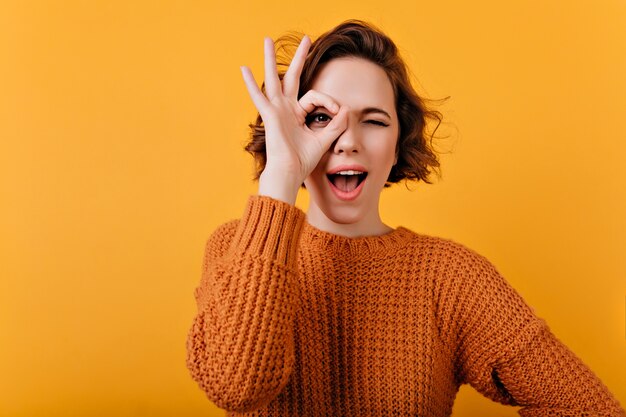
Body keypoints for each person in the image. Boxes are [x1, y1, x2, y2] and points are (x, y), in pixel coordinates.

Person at [186, 20, 625, 416]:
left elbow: (590, 408)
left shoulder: (450, 277)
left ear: (398, 146)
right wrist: (280, 175)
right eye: (321, 118)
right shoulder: (234, 249)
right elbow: (237, 387)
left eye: (373, 121)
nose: (347, 141)